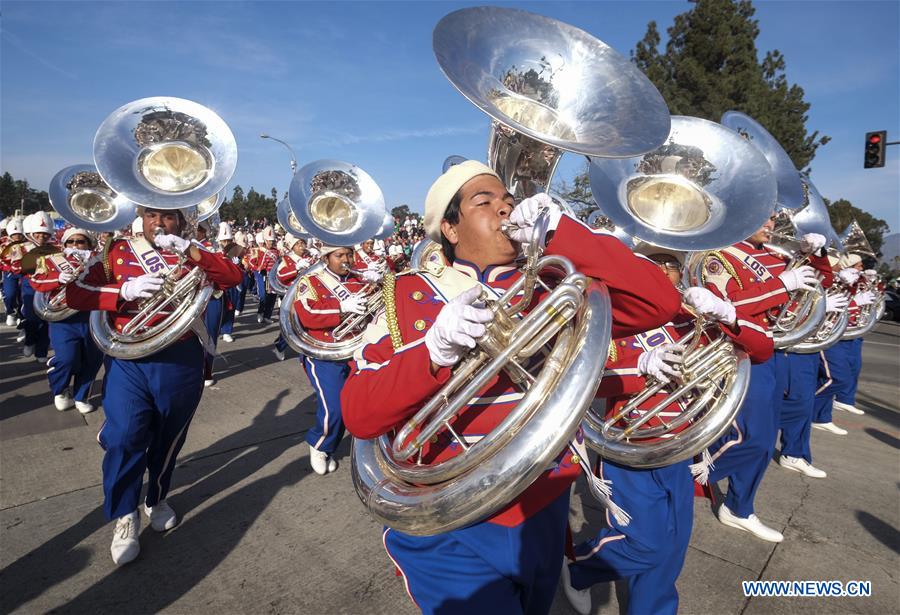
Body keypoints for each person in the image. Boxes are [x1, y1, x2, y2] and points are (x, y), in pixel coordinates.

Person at [341, 161, 680, 612]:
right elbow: (359, 414)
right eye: (483, 202)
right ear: (451, 229)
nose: (504, 209)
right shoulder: (405, 295)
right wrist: (433, 352)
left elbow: (659, 302)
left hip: (543, 501)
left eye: (508, 201)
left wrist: (561, 231)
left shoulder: (553, 286)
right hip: (449, 524)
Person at [562, 243, 772, 615]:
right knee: (645, 545)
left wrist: (728, 313)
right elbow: (585, 381)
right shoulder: (614, 317)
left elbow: (762, 348)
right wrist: (640, 365)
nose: (662, 270)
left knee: (672, 549)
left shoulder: (693, 318)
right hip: (632, 450)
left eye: (670, 264)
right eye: (652, 262)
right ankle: (577, 568)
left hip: (684, 448)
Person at [67, 206, 242, 565]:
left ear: (180, 221)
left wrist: (189, 250)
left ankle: (157, 497)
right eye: (150, 215)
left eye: (167, 216)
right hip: (129, 356)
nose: (158, 223)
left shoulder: (194, 253)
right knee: (125, 435)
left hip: (180, 357)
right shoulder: (117, 251)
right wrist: (123, 290)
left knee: (168, 438)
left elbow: (232, 277)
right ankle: (125, 514)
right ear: (141, 218)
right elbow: (75, 293)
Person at [698, 217, 823, 542]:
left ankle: (739, 506)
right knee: (752, 439)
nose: (771, 222)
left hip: (772, 349)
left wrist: (813, 256)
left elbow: (813, 286)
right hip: (740, 351)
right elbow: (728, 305)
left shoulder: (772, 254)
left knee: (766, 439)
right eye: (764, 215)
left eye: (772, 216)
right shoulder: (718, 255)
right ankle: (683, 476)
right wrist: (781, 285)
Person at [291, 245, 375, 473]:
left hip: (358, 349)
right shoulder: (311, 281)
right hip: (324, 353)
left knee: (369, 401)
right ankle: (321, 444)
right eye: (339, 255)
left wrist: (381, 283)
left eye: (349, 254)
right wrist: (340, 307)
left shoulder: (360, 279)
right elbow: (306, 314)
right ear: (326, 258)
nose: (346, 259)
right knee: (335, 408)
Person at [29, 227, 103, 413]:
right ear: (64, 244)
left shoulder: (99, 261)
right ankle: (60, 389)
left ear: (89, 244)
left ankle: (81, 396)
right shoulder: (52, 260)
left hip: (91, 317)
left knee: (92, 360)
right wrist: (57, 278)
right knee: (66, 359)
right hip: (63, 320)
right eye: (71, 241)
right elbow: (36, 280)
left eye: (80, 241)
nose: (75, 245)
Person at [19, 212, 55, 362]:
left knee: (46, 318)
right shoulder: (23, 248)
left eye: (45, 233)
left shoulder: (55, 249)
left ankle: (41, 351)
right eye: (38, 233)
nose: (42, 236)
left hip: (49, 287)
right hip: (29, 285)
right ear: (32, 233)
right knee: (32, 317)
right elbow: (16, 267)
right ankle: (29, 341)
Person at [273, 235, 314, 361]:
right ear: (292, 247)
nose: (301, 246)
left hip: (310, 295)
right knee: (292, 327)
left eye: (303, 243)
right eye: (298, 244)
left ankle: (306, 354)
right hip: (292, 297)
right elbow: (280, 276)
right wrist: (295, 268)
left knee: (308, 326)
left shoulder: (310, 256)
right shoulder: (286, 259)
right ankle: (279, 346)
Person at [217, 223, 243, 344]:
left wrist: (237, 264)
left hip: (231, 284)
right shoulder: (214, 251)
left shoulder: (235, 251)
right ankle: (216, 329)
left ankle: (227, 331)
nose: (226, 243)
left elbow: (241, 268)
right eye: (224, 241)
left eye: (228, 240)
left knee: (231, 307)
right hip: (218, 285)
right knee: (218, 309)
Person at [1, 217, 25, 327]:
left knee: (23, 295)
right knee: (10, 293)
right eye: (14, 234)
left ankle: (21, 315)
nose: (17, 237)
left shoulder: (28, 244)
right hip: (9, 273)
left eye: (19, 234)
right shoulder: (3, 244)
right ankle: (10, 312)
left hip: (24, 273)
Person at [254, 227, 278, 323]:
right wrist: (258, 268)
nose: (270, 242)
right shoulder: (260, 250)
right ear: (265, 240)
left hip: (273, 276)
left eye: (272, 241)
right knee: (263, 295)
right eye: (269, 240)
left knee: (272, 296)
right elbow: (252, 262)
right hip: (263, 275)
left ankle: (267, 315)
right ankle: (260, 312)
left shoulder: (276, 251)